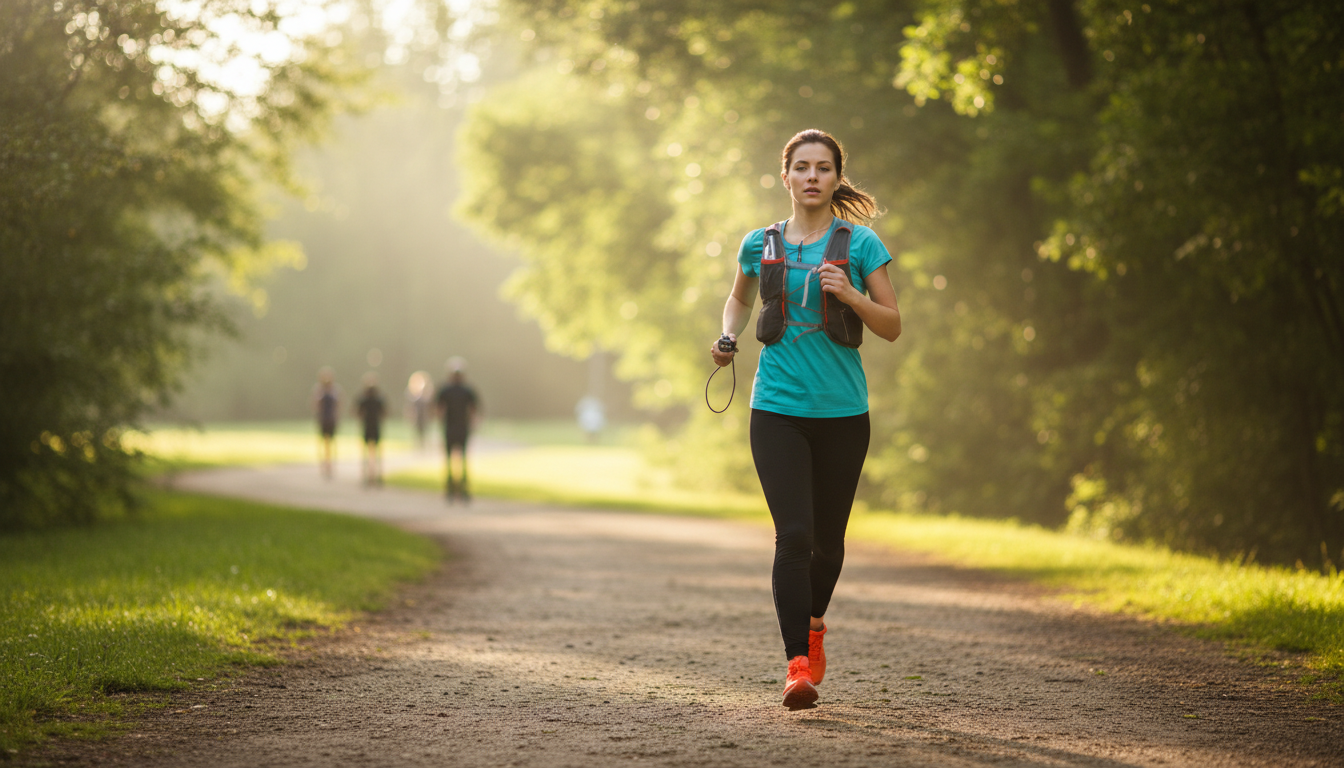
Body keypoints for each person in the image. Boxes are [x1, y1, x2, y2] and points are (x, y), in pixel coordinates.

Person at [710, 129, 902, 710]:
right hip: (777, 409)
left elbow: (891, 325)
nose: (812, 176)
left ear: (836, 179)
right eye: (802, 167)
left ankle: (815, 623)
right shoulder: (759, 242)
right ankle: (797, 665)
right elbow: (740, 298)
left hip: (844, 413)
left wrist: (850, 295)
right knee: (793, 535)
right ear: (786, 176)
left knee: (829, 543)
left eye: (823, 167)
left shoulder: (861, 244)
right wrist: (726, 335)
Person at [435, 357, 479, 503]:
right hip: (460, 427)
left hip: (452, 427)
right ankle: (461, 489)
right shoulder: (466, 390)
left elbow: (438, 410)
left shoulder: (446, 389)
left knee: (451, 459)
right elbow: (474, 410)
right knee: (461, 459)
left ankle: (452, 489)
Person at [355, 371, 387, 486]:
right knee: (374, 453)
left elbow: (358, 413)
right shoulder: (377, 398)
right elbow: (384, 413)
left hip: (369, 427)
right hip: (372, 427)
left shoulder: (366, 398)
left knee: (371, 453)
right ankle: (373, 475)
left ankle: (371, 475)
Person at [311, 367, 342, 479]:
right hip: (323, 420)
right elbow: (316, 404)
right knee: (324, 442)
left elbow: (338, 404)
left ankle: (331, 464)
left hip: (331, 420)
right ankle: (324, 464)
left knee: (332, 442)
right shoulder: (319, 390)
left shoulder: (335, 390)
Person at [405, 371, 433, 450]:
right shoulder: (414, 397)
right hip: (417, 417)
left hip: (423, 416)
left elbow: (429, 406)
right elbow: (411, 407)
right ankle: (418, 445)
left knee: (424, 430)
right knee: (417, 431)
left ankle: (423, 445)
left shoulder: (425, 396)